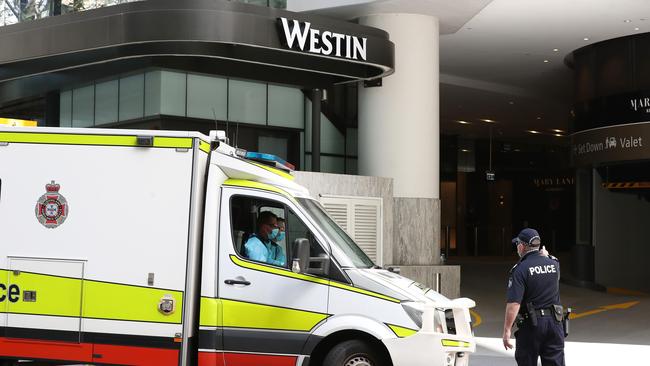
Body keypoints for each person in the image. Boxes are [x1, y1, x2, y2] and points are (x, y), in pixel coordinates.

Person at [502, 228, 565, 366]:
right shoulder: (554, 264)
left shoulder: (520, 270)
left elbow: (514, 304)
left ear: (521, 246)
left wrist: (507, 330)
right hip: (555, 323)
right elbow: (554, 273)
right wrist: (546, 256)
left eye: (517, 244)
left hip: (532, 325)